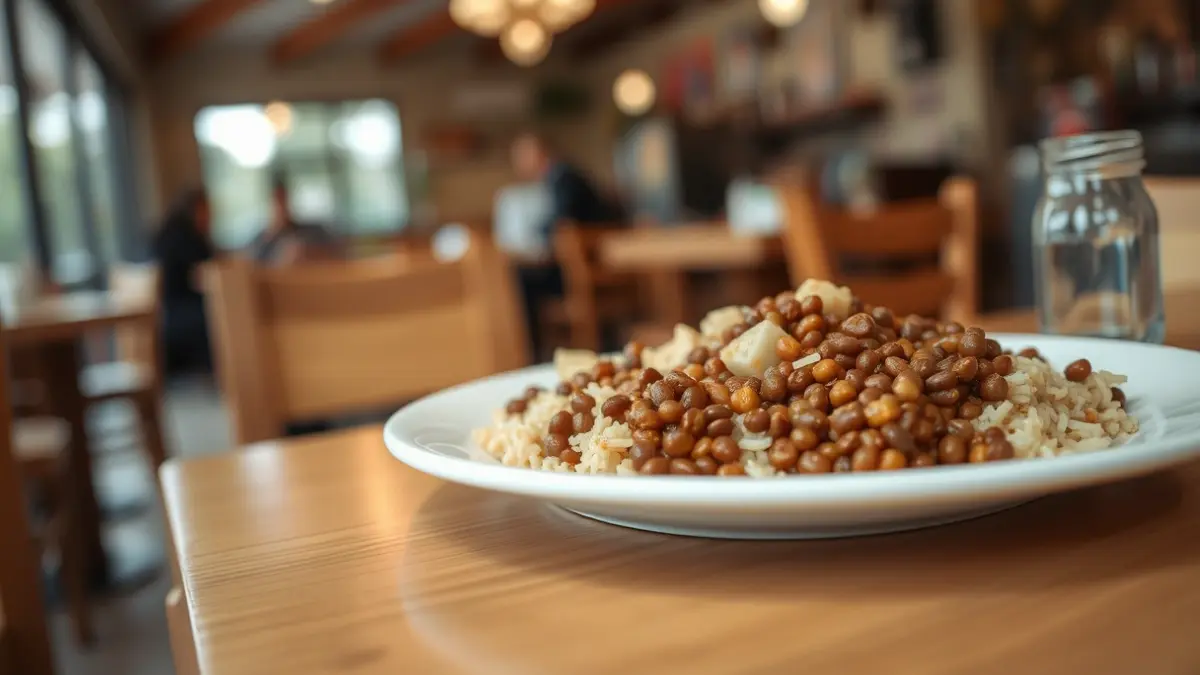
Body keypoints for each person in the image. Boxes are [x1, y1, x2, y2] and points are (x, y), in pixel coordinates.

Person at [509, 132, 625, 356]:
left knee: (520, 279)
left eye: (522, 156)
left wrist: (537, 231)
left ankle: (532, 353)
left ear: (539, 153)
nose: (518, 164)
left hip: (589, 270)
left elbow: (561, 222)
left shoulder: (564, 178)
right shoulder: (560, 177)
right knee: (523, 276)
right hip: (590, 265)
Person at [153, 188, 216, 375]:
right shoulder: (186, 239)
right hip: (183, 313)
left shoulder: (168, 233)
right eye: (206, 211)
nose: (209, 217)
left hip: (169, 313)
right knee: (220, 315)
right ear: (195, 209)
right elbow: (203, 277)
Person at [249, 177, 342, 265]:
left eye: (284, 200)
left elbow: (334, 249)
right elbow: (254, 265)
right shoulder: (261, 240)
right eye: (277, 201)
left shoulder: (312, 231)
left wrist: (307, 251)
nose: (281, 207)